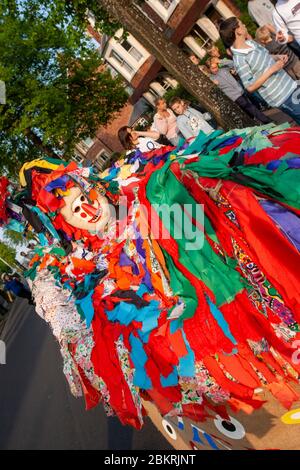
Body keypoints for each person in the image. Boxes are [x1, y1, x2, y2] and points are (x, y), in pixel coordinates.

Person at [219, 17, 300, 123]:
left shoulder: (251, 43)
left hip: (290, 84)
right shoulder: (239, 59)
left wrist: (277, 57)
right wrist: (272, 70)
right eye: (241, 23)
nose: (244, 25)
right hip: (281, 97)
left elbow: (265, 56)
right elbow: (250, 87)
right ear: (238, 31)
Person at [208, 57, 272, 123]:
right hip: (234, 96)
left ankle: (252, 122)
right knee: (250, 107)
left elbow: (232, 63)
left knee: (247, 109)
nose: (215, 69)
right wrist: (214, 84)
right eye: (213, 68)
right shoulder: (211, 78)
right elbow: (212, 90)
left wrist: (219, 61)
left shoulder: (223, 69)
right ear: (209, 69)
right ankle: (267, 120)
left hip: (240, 91)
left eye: (216, 67)